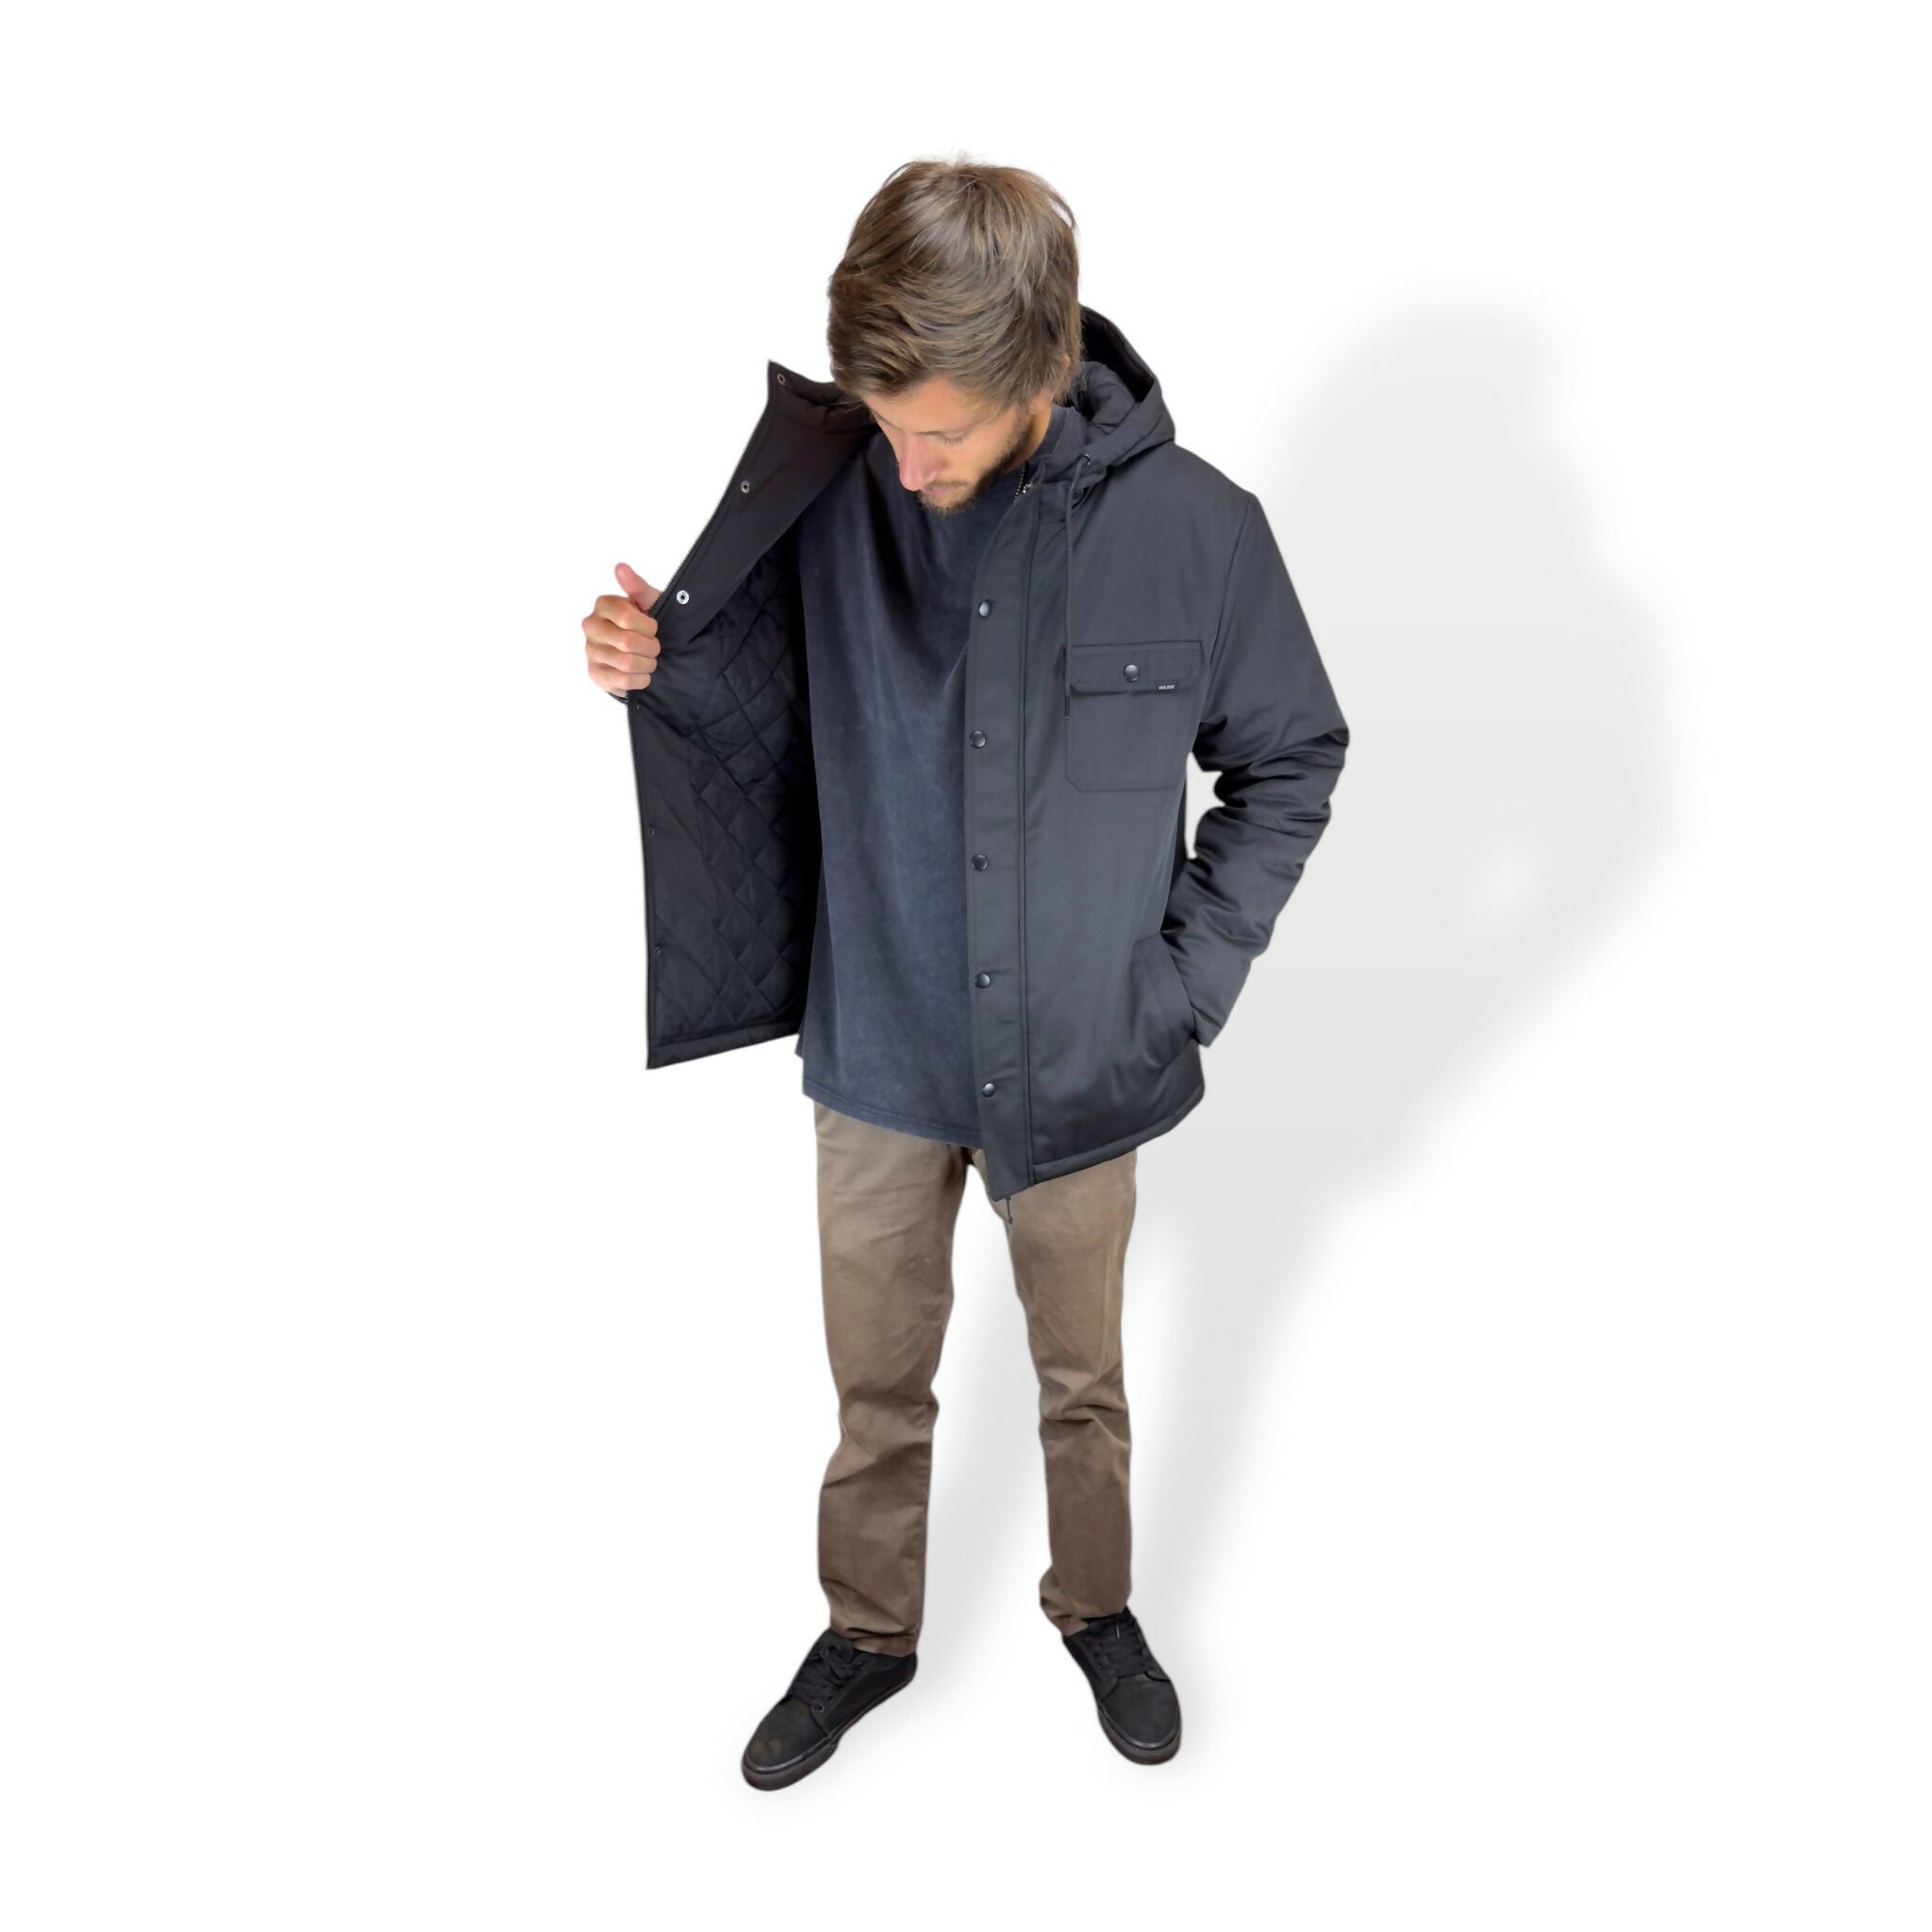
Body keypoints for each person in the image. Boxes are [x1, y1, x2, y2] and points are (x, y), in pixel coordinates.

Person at [581, 158, 1349, 1790]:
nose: (907, 462)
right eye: (886, 424)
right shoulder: (832, 484)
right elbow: (749, 705)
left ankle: (1098, 1610)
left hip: (1085, 1050)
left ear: (1041, 369)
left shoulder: (1200, 531)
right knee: (876, 1390)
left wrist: (1185, 986)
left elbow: (1290, 756)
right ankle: (867, 1635)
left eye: (938, 432)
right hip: (876, 1040)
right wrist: (648, 664)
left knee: (1084, 1384)